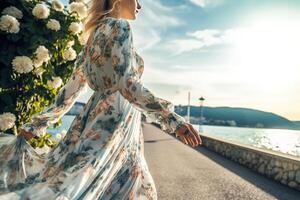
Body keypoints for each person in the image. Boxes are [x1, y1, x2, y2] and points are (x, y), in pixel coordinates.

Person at [0, 0, 202, 199]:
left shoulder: (93, 37)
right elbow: (127, 84)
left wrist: (35, 125)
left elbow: (70, 90)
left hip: (94, 120)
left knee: (74, 183)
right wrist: (173, 119)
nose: (140, 6)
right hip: (114, 125)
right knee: (124, 189)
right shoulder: (120, 26)